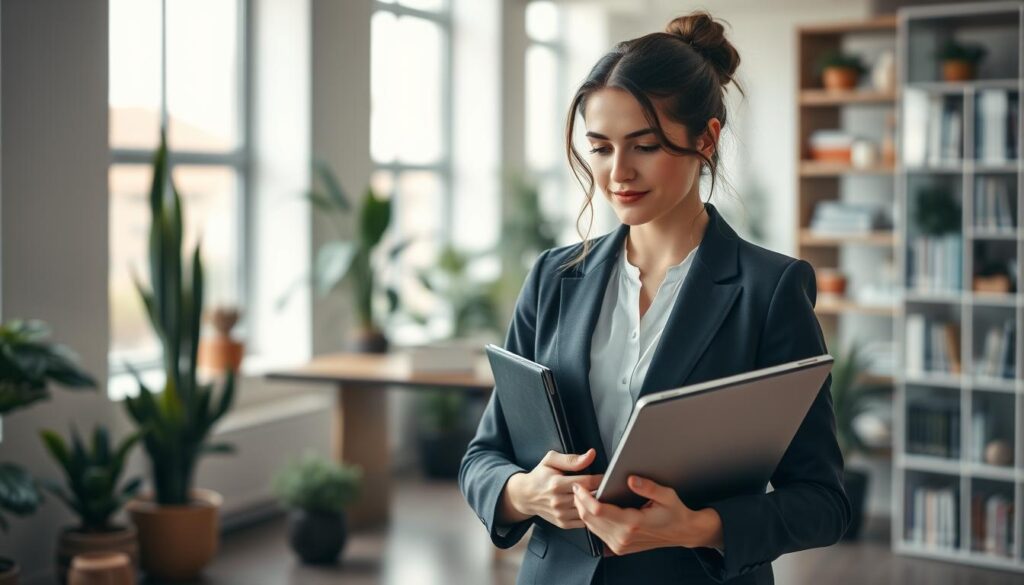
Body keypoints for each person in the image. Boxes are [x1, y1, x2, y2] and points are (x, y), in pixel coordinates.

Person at [459, 10, 850, 585]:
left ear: (706, 139)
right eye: (599, 147)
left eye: (644, 146)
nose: (618, 172)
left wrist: (696, 526)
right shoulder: (551, 278)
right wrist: (526, 493)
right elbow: (482, 458)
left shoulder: (769, 292)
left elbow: (823, 502)